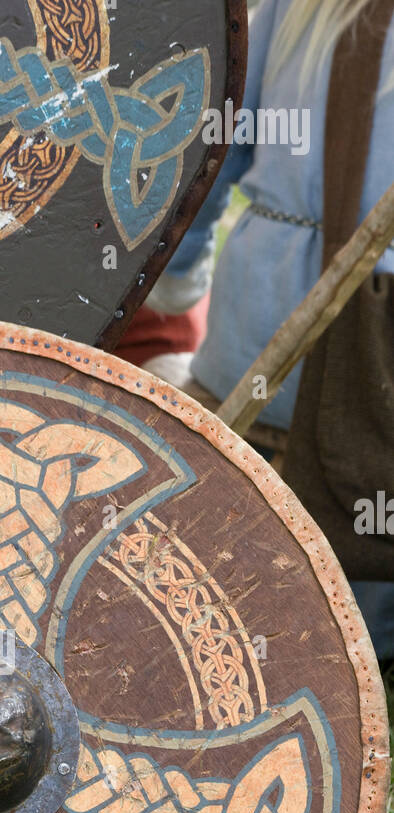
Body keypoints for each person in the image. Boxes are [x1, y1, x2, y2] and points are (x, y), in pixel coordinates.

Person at [118, 0, 394, 663]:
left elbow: (213, 160)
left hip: (262, 316)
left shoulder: (303, 10)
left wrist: (175, 274)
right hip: (360, 350)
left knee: (238, 542)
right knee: (360, 553)